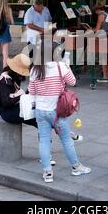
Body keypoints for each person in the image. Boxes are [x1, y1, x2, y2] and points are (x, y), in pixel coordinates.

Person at [29, 41, 90, 183]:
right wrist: (67, 66)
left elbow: (32, 91)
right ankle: (76, 167)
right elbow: (73, 81)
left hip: (40, 111)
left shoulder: (34, 69)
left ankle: (47, 173)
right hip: (57, 112)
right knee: (67, 141)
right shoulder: (60, 66)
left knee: (44, 141)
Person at [0, 53, 37, 127]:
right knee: (36, 118)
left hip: (14, 108)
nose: (22, 76)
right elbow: (6, 102)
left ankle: (45, 135)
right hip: (6, 112)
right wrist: (19, 95)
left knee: (38, 119)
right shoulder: (4, 80)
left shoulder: (14, 78)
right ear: (16, 72)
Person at [85, 4, 108, 83]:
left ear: (96, 10)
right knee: (105, 56)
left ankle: (105, 77)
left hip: (102, 37)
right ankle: (106, 75)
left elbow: (97, 29)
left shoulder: (101, 15)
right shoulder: (106, 14)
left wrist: (89, 29)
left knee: (102, 57)